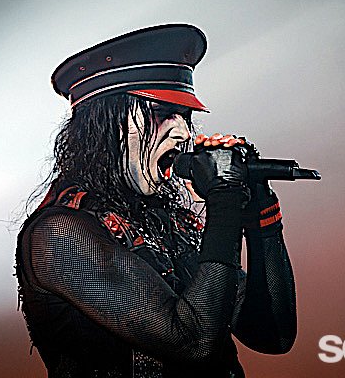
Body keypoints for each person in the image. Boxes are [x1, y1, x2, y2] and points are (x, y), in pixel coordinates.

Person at [16, 24, 296, 378]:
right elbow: (193, 343)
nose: (183, 132)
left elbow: (272, 334)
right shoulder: (60, 234)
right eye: (162, 112)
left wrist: (258, 212)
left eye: (185, 116)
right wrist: (224, 199)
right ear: (106, 125)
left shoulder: (166, 222)